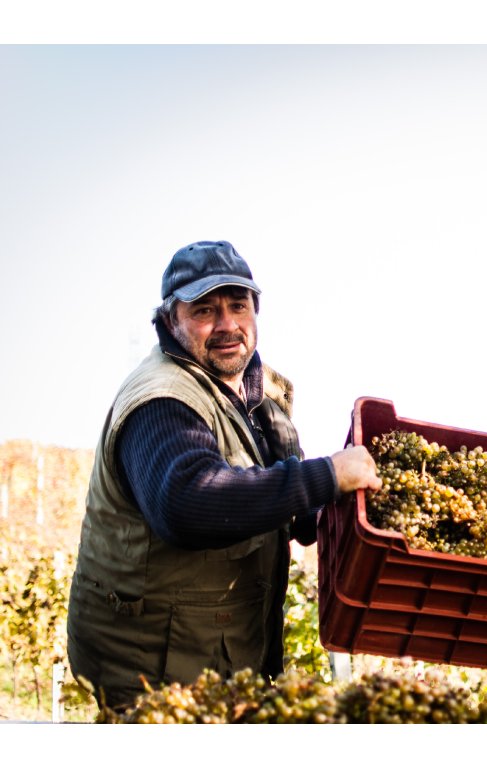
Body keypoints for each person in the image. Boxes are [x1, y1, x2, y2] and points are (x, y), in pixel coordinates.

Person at [66, 240, 381, 711]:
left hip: (221, 660)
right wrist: (327, 476)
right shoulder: (162, 400)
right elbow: (188, 503)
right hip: (155, 676)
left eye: (238, 306)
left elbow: (287, 501)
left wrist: (333, 511)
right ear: (170, 319)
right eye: (205, 310)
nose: (227, 324)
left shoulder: (257, 392)